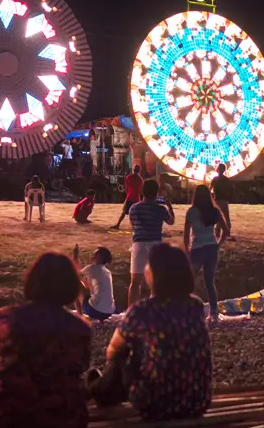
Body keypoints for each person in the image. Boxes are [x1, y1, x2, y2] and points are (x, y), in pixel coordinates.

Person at [0, 252, 91, 428]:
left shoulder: (5, 319)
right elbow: (81, 365)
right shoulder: (80, 328)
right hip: (61, 417)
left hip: (2, 415)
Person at [98, 243, 212, 421]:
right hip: (198, 401)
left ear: (155, 273)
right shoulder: (195, 305)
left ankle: (102, 391)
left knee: (123, 353)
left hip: (157, 404)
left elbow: (112, 351)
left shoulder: (143, 310)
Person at [183, 184, 229, 321]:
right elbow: (225, 230)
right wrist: (218, 243)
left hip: (197, 248)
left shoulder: (191, 212)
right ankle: (214, 312)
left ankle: (188, 311)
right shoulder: (214, 211)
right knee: (209, 281)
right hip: (211, 247)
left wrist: (187, 250)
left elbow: (186, 235)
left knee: (189, 282)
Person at [127, 179, 175, 309]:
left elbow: (133, 224)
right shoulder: (160, 209)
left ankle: (130, 313)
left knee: (135, 282)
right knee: (156, 282)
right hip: (155, 244)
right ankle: (154, 311)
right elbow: (171, 221)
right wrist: (169, 205)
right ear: (156, 193)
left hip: (139, 243)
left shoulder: (134, 208)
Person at [74, 245, 114, 321]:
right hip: (108, 312)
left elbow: (75, 276)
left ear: (99, 257)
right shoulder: (107, 272)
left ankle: (79, 316)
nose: (91, 256)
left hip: (94, 311)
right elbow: (86, 285)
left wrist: (75, 258)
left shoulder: (91, 268)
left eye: (94, 254)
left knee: (74, 283)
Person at [111, 165, 144, 230]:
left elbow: (126, 189)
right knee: (136, 214)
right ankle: (134, 227)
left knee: (123, 212)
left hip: (129, 197)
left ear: (133, 169)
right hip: (137, 198)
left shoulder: (128, 177)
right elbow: (141, 190)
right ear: (139, 170)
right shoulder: (141, 179)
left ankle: (118, 225)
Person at [209, 163, 235, 240]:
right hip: (224, 200)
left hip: (217, 200)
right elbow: (231, 189)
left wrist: (211, 197)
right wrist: (229, 197)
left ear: (217, 170)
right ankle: (227, 232)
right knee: (226, 217)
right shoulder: (226, 180)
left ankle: (217, 232)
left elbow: (210, 189)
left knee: (218, 217)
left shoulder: (215, 179)